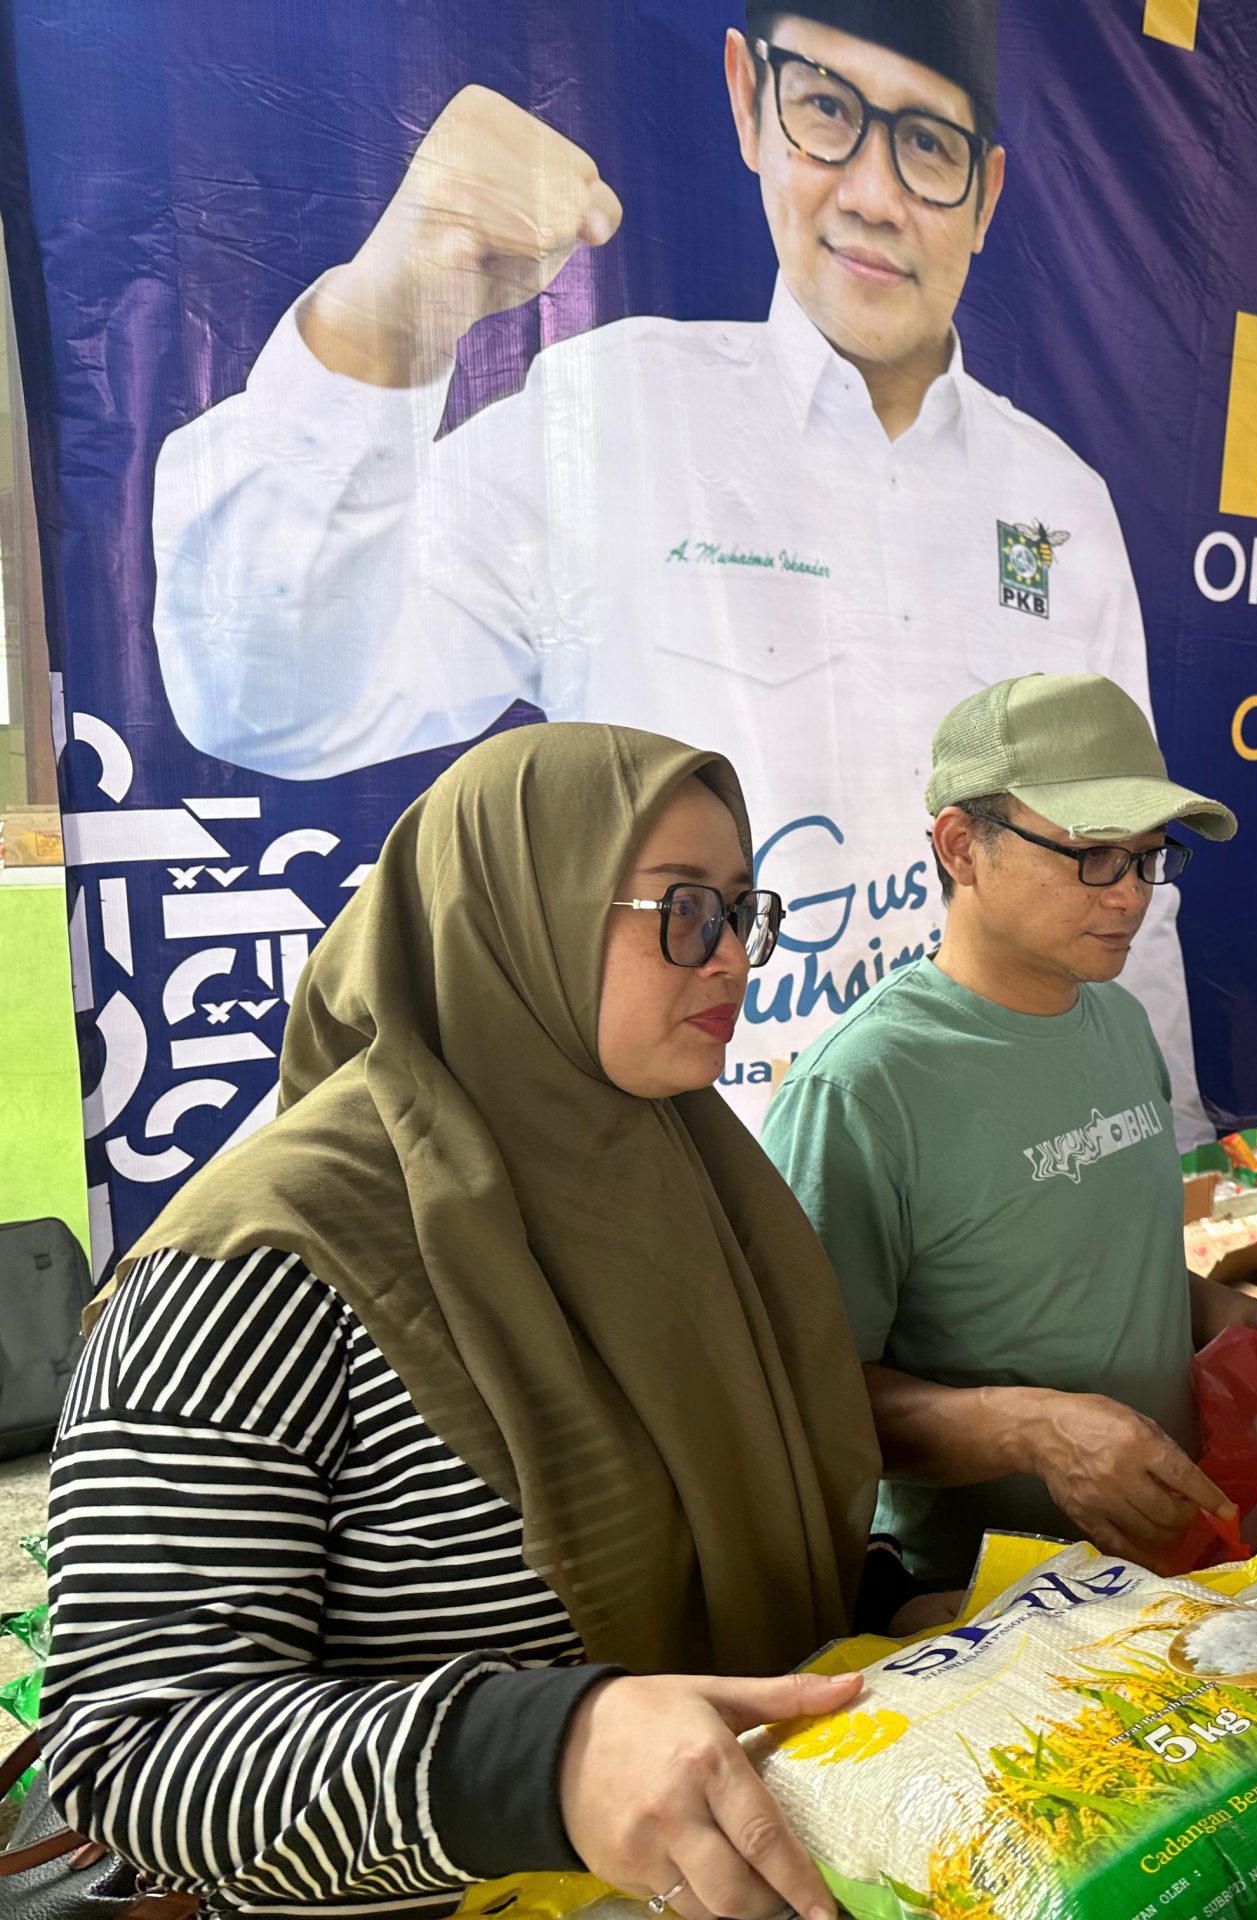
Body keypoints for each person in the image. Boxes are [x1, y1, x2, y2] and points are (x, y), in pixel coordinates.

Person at [146, 1, 1209, 1142]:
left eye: (928, 146)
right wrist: (388, 313)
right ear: (749, 101)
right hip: (717, 1205)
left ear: (988, 194)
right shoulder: (617, 413)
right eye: (827, 111)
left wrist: (1167, 1155)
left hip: (1009, 1190)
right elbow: (273, 702)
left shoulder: (1059, 503)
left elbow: (1124, 890)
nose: (870, 192)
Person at [42, 726, 880, 1920]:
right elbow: (131, 1752)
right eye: (686, 910)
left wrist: (891, 1614)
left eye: (748, 912)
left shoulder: (684, 1173)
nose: (734, 958)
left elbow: (731, 1505)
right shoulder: (254, 1261)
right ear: (512, 914)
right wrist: (543, 1758)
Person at [762, 674, 1257, 1586]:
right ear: (962, 846)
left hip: (1174, 1568)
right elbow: (805, 1404)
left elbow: (1089, 1270)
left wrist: (1219, 1311)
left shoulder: (1115, 1022)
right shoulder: (863, 1088)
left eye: (1148, 857)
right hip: (982, 1611)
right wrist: (1033, 1431)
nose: (1130, 898)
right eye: (1094, 856)